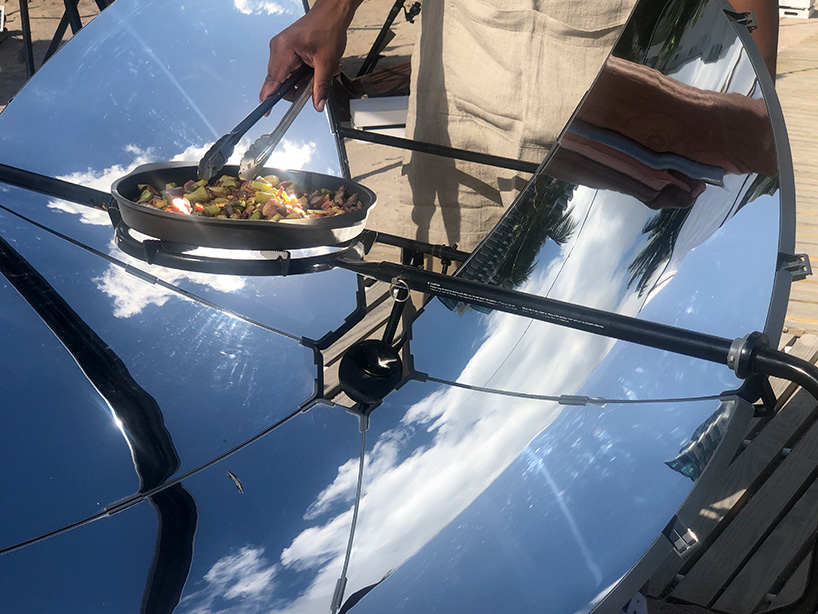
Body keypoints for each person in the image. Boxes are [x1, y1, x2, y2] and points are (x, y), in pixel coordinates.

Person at [261, 0, 779, 252]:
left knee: (717, 134)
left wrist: (762, 85)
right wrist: (332, 13)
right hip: (494, 65)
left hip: (593, 53)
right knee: (563, 134)